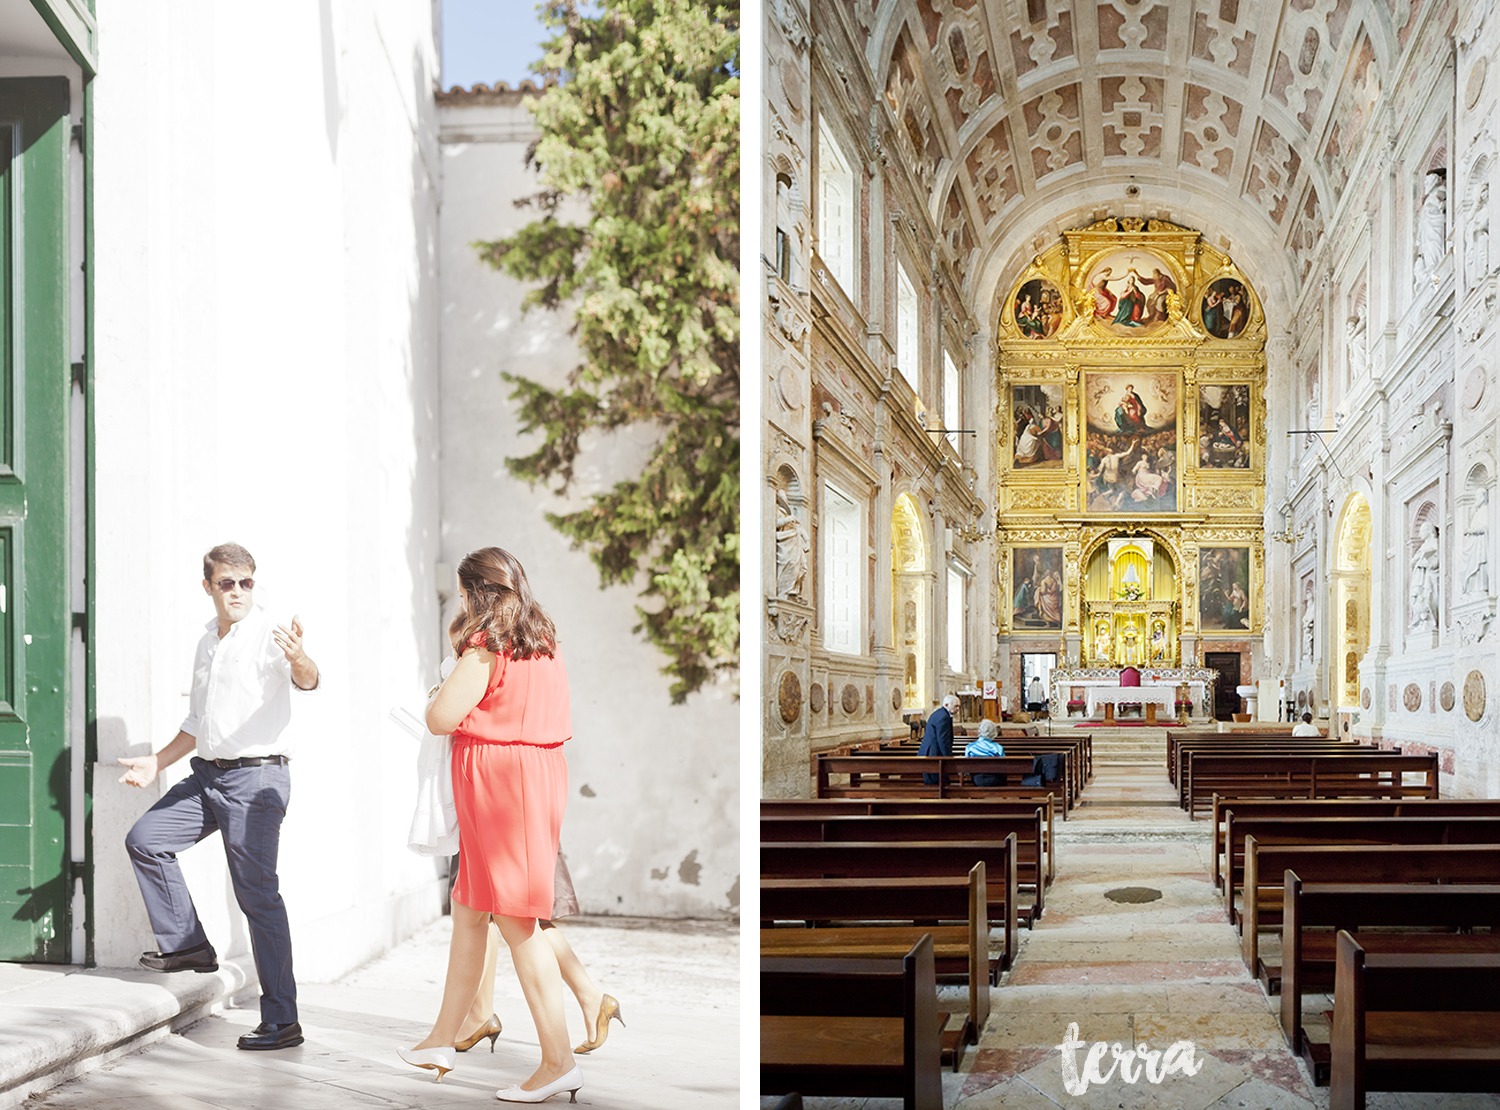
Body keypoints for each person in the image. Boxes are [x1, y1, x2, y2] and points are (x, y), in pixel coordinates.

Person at [119, 543, 320, 1052]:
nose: (237, 592)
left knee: (257, 896)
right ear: (207, 586)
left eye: (246, 582)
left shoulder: (269, 634)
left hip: (256, 781)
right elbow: (197, 724)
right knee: (146, 839)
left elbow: (307, 677)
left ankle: (282, 1020)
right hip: (208, 776)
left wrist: (300, 658)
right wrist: (155, 763)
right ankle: (188, 945)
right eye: (227, 583)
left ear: (254, 584)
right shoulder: (208, 640)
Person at [398, 547, 581, 1102]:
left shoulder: (486, 647)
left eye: (461, 592)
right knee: (470, 908)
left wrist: (439, 692)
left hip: (504, 788)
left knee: (517, 921)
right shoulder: (541, 643)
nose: (458, 601)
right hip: (525, 778)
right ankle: (441, 1038)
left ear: (477, 593)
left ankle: (558, 1061)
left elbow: (439, 719)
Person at [919, 694, 959, 786]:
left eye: (958, 706)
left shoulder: (939, 713)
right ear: (946, 705)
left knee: (933, 783)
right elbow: (943, 741)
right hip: (934, 754)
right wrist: (949, 759)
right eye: (956, 706)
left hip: (930, 753)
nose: (958, 709)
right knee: (937, 784)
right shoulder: (944, 717)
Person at [965, 718, 1006, 786]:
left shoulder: (970, 747)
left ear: (979, 731)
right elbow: (1003, 767)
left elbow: (966, 770)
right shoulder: (998, 748)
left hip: (977, 780)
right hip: (995, 780)